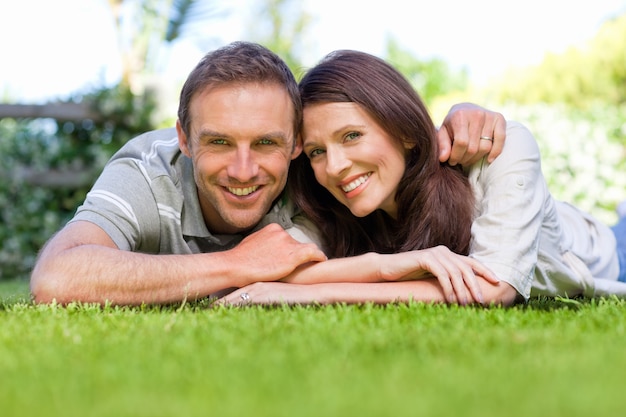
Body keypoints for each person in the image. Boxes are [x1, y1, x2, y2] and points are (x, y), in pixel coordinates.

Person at [30, 42, 506, 306]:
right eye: (218, 142)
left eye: (265, 143)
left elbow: (372, 140)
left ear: (296, 143)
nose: (243, 170)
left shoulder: (318, 178)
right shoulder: (147, 172)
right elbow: (56, 277)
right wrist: (236, 264)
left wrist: (460, 118)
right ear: (182, 137)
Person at [219, 49, 626, 307]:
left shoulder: (498, 151)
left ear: (407, 132)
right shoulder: (327, 206)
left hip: (612, 256)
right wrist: (387, 266)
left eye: (352, 136)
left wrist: (308, 293)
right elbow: (274, 268)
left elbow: (493, 288)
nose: (335, 166)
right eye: (317, 152)